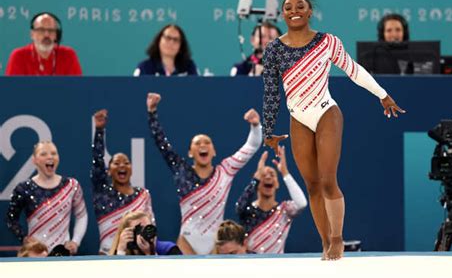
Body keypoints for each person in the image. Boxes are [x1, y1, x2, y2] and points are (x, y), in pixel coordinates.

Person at [262, 0, 405, 260]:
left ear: (309, 12)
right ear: (282, 14)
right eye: (288, 7)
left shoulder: (327, 42)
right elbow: (271, 92)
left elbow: (354, 70)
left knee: (328, 181)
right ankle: (326, 242)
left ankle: (338, 238)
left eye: (300, 6)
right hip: (298, 119)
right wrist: (268, 129)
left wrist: (382, 94)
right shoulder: (273, 49)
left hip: (326, 112)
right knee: (312, 185)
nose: (294, 10)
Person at [146, 93, 262, 255]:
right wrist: (152, 113)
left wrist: (256, 126)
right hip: (186, 242)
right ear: (190, 152)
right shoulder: (181, 170)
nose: (203, 145)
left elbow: (252, 146)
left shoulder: (225, 171)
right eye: (197, 143)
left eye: (207, 142)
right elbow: (161, 143)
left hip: (215, 244)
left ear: (214, 151)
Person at [6, 141, 88, 254]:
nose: (50, 157)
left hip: (62, 253)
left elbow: (82, 215)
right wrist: (24, 238)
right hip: (35, 254)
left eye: (54, 153)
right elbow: (11, 218)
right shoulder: (24, 188)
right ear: (34, 160)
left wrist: (75, 242)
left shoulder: (71, 185)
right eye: (43, 154)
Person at [92, 109, 155, 255]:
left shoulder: (143, 194)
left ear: (132, 169)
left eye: (126, 162)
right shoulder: (102, 193)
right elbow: (97, 163)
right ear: (108, 171)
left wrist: (150, 250)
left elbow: (152, 226)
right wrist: (99, 131)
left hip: (138, 254)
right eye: (116, 163)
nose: (122, 166)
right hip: (107, 255)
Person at [236, 147, 307, 254]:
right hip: (251, 265)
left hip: (276, 266)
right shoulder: (247, 211)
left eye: (272, 175)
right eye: (263, 176)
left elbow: (301, 204)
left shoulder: (284, 210)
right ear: (258, 183)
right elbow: (239, 207)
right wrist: (255, 180)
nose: (268, 177)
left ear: (277, 184)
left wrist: (285, 172)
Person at [5, 12, 82, 76]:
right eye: (41, 30)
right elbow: (12, 91)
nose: (46, 35)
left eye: (51, 30)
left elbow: (77, 89)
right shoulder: (19, 56)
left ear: (56, 35)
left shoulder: (68, 55)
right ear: (32, 34)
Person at [133, 24, 198, 76]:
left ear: (181, 45)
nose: (171, 42)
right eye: (168, 38)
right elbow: (135, 90)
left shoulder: (189, 67)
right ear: (159, 40)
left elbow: (197, 90)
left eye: (176, 40)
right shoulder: (145, 67)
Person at [109, 211, 182, 256]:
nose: (145, 233)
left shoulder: (168, 249)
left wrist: (150, 254)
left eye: (148, 228)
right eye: (139, 229)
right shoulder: (124, 252)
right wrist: (121, 250)